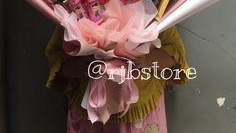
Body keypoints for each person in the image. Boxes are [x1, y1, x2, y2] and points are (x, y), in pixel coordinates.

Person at [45, 25, 189, 133]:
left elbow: (175, 55)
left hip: (140, 113)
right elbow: (58, 62)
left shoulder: (154, 3)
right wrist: (81, 66)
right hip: (90, 115)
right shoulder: (74, 7)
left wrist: (146, 60)